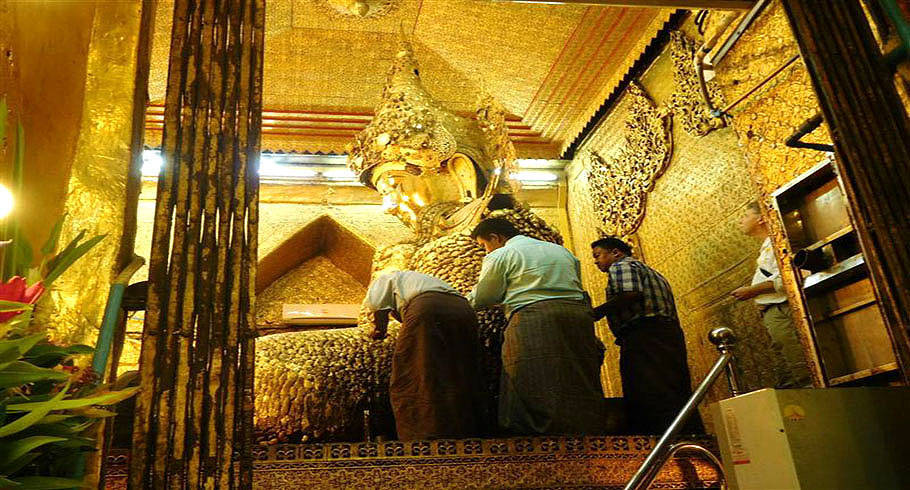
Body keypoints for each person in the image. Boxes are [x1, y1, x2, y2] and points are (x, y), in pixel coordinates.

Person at [468, 217, 606, 436]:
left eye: (484, 246)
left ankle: (540, 439)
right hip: (578, 317)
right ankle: (586, 433)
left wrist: (462, 301)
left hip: (534, 317)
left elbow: (485, 295)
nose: (486, 252)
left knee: (529, 375)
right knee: (576, 373)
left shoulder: (502, 254)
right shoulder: (561, 251)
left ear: (496, 237)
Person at [590, 237, 702, 435]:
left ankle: (655, 438)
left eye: (598, 255)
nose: (596, 261)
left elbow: (631, 293)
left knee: (645, 388)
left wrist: (596, 312)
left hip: (644, 335)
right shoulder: (651, 272)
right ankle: (687, 433)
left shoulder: (621, 266)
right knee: (673, 386)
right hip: (667, 333)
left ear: (615, 252)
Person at [365, 270, 485, 440]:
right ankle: (464, 433)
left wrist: (378, 331)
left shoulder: (383, 280)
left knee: (415, 372)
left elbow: (378, 309)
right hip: (464, 311)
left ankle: (424, 436)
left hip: (428, 308)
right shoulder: (421, 281)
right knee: (458, 370)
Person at [732, 201, 812, 388]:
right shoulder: (767, 247)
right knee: (788, 371)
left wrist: (752, 291)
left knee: (801, 366)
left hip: (782, 309)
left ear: (760, 218)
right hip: (773, 312)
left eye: (745, 215)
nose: (740, 220)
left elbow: (788, 277)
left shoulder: (779, 243)